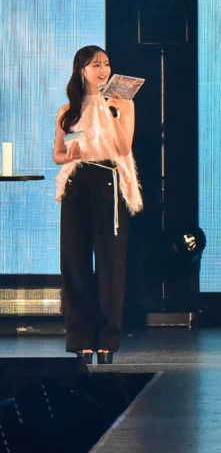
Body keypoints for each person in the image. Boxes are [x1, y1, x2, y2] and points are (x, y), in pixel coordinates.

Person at [53, 46, 142, 365]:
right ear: (82, 70)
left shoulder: (123, 104)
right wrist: (69, 155)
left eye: (106, 64)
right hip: (77, 181)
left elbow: (123, 147)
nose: (103, 70)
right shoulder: (69, 109)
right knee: (75, 262)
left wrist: (113, 112)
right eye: (95, 65)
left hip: (108, 180)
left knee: (110, 264)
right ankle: (80, 339)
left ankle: (107, 339)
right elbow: (58, 155)